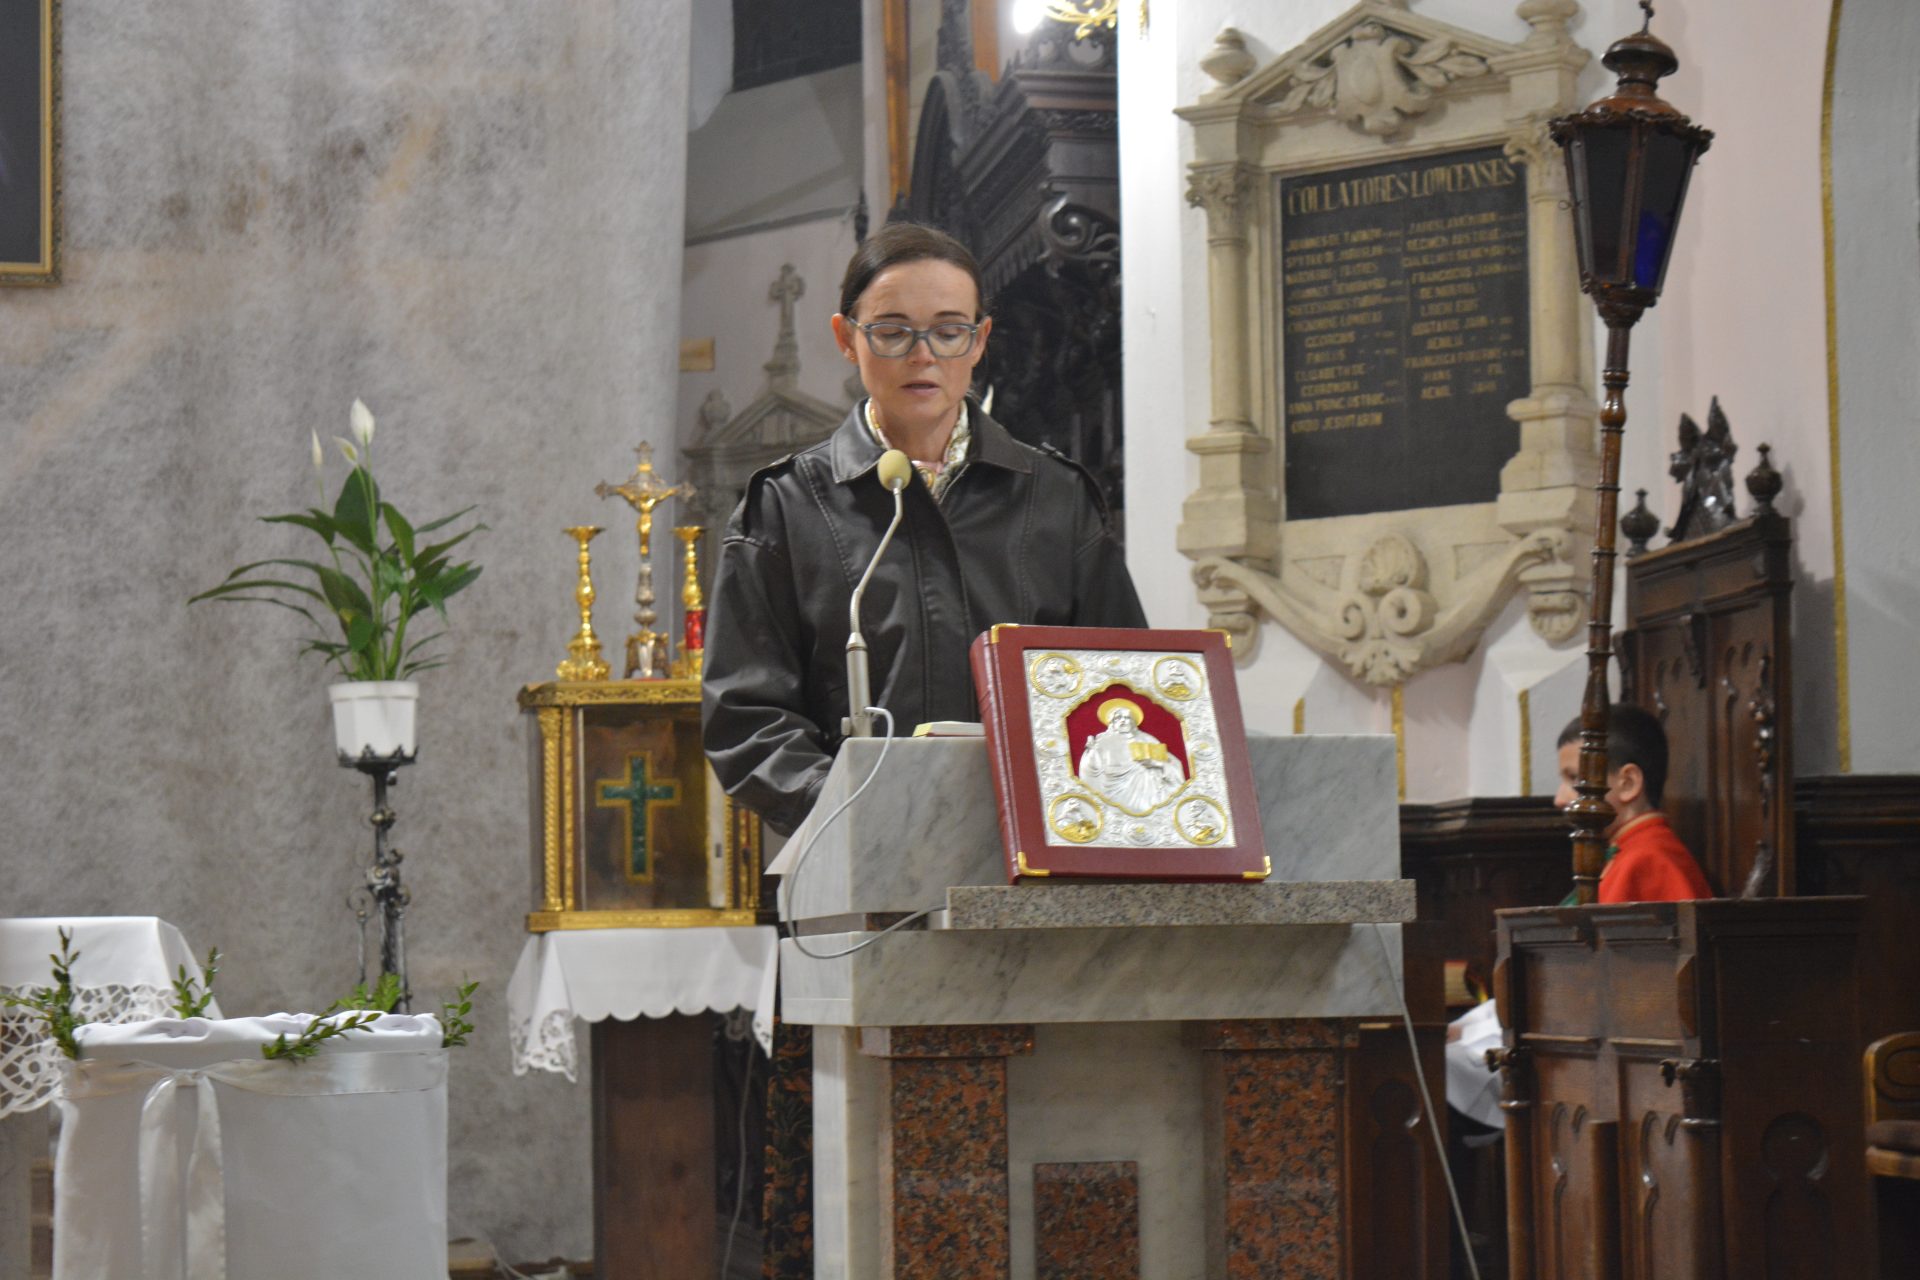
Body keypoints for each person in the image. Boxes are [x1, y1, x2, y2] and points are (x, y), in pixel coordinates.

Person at [702, 221, 1147, 837]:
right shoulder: (785, 507)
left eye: (948, 330)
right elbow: (746, 717)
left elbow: (1125, 680)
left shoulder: (1056, 498)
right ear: (846, 338)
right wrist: (853, 810)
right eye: (892, 332)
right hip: (858, 847)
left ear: (980, 340)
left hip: (1036, 846)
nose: (923, 355)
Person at [1446, 704, 1711, 1130]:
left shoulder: (1648, 861)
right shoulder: (1623, 854)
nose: (1559, 798)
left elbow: (1597, 986)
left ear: (1628, 783)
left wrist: (1479, 1030)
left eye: (1573, 779)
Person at [1076, 698, 1184, 813]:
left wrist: (1156, 764)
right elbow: (1091, 769)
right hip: (1113, 790)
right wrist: (1092, 751)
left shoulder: (1147, 739)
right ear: (1112, 723)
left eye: (1127, 718)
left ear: (1133, 722)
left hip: (1147, 790)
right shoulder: (1103, 740)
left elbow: (1171, 763)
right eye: (1118, 718)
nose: (1123, 720)